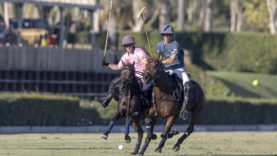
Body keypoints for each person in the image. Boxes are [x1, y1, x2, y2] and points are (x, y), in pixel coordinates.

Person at [95, 35, 151, 108]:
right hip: (131, 77)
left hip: (142, 76)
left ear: (133, 44)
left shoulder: (138, 51)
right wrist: (107, 64)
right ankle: (106, 99)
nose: (128, 47)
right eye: (126, 46)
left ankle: (147, 105)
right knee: (114, 82)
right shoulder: (125, 56)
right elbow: (118, 67)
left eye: (129, 45)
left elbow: (146, 63)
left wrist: (146, 62)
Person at [156, 24, 193, 120]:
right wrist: (156, 63)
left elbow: (171, 59)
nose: (166, 37)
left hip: (178, 69)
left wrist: (159, 62)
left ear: (172, 36)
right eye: (164, 35)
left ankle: (184, 109)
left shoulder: (175, 44)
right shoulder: (159, 45)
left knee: (188, 86)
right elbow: (159, 57)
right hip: (165, 70)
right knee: (153, 82)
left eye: (168, 35)